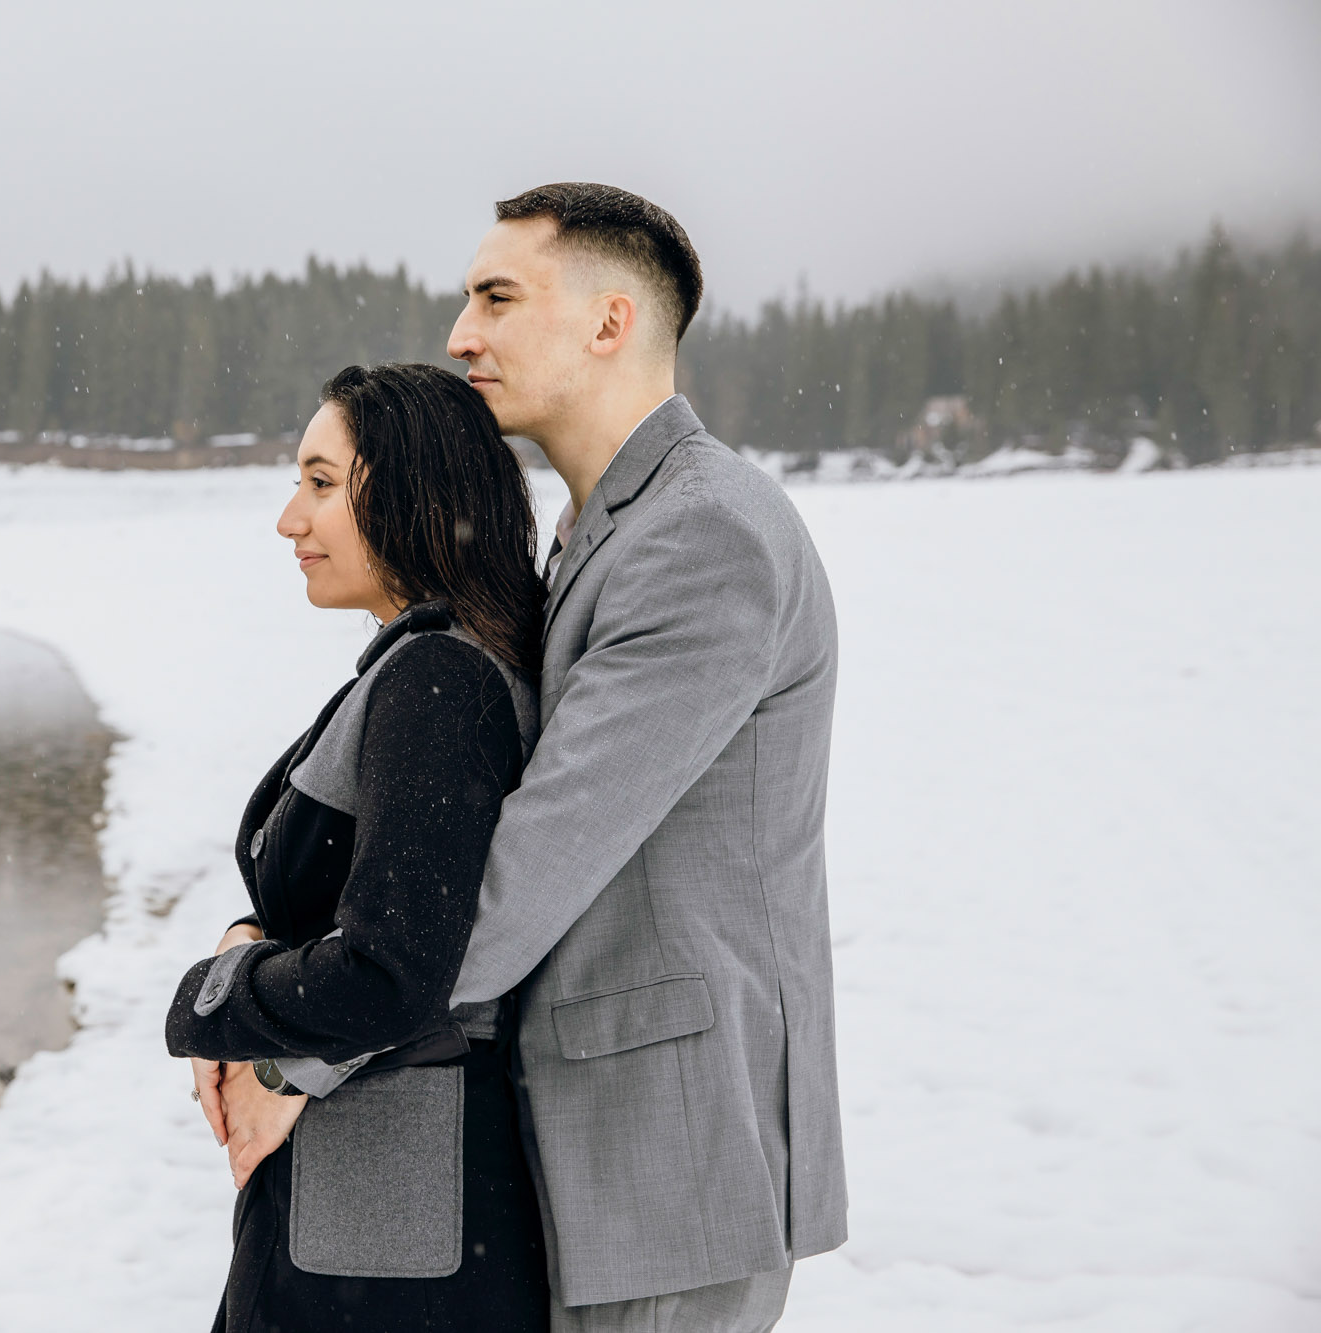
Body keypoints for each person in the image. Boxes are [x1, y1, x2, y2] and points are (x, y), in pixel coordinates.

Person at [222, 184, 850, 1333]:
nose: (461, 334)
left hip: (662, 1158)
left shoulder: (699, 534)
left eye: (496, 297)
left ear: (609, 322)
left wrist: (285, 1060)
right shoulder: (599, 531)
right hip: (574, 1152)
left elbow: (519, 879)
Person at [165, 362, 554, 1333]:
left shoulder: (439, 678)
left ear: (413, 494)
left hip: (385, 1242)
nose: (288, 519)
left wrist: (217, 1002)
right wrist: (250, 932)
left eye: (321, 482)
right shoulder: (426, 663)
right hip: (380, 1219)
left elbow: (393, 968)